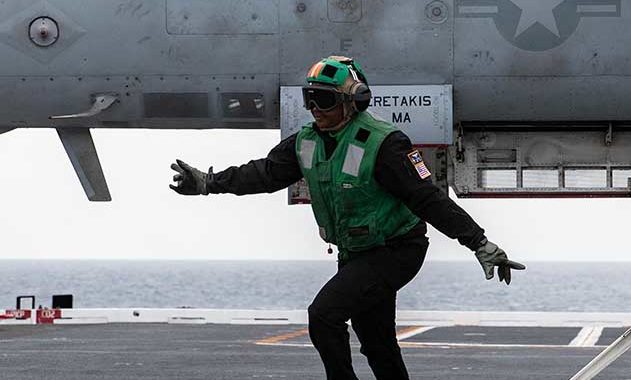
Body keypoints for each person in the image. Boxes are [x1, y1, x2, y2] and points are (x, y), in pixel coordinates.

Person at [169, 55, 525, 380]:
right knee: (377, 343)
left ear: (352, 101)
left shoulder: (385, 144)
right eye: (308, 99)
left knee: (324, 316)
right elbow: (263, 174)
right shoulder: (305, 142)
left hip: (397, 249)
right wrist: (207, 183)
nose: (314, 109)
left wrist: (478, 242)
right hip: (356, 252)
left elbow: (427, 199)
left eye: (323, 100)